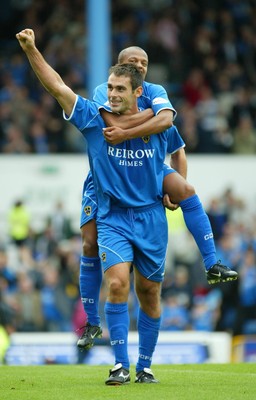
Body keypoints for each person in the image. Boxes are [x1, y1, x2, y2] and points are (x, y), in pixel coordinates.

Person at [16, 29, 183, 384]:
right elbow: (57, 86)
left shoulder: (159, 119)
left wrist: (178, 192)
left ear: (138, 91)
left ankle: (146, 365)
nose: (112, 94)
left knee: (150, 292)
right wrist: (32, 50)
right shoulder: (94, 118)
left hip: (152, 216)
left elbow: (178, 148)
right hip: (113, 217)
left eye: (120, 89)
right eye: (109, 88)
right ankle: (119, 365)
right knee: (118, 283)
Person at [77, 46, 238, 351]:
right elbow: (115, 123)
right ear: (119, 69)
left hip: (147, 172)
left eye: (144, 62)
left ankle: (213, 262)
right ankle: (91, 322)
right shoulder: (106, 91)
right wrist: (152, 114)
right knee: (88, 241)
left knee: (187, 192)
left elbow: (173, 140)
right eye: (132, 62)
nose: (139, 65)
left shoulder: (155, 90)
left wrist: (174, 187)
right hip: (107, 176)